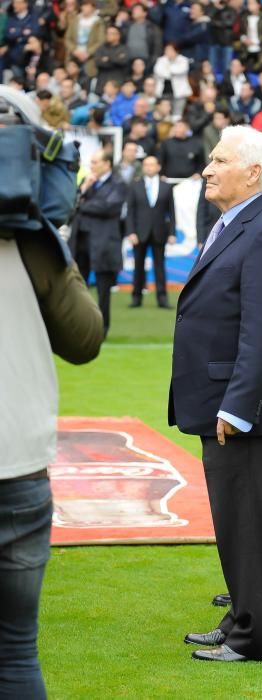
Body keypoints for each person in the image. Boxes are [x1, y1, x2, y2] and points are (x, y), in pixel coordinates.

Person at [170, 125, 262, 662]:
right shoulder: (236, 222)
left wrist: (237, 404)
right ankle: (239, 618)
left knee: (252, 525)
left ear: (253, 173)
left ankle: (257, 638)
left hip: (244, 409)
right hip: (224, 403)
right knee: (233, 522)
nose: (207, 168)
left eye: (219, 160)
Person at [0, 87, 103, 700]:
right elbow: (86, 337)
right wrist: (50, 241)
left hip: (20, 469)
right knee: (15, 653)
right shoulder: (31, 242)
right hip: (18, 465)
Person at [71, 149, 127, 338]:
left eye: (95, 162)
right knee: (79, 288)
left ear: (107, 164)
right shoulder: (88, 183)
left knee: (104, 291)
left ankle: (101, 331)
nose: (91, 166)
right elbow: (72, 202)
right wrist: (84, 188)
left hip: (103, 244)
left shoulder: (118, 184)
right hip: (81, 242)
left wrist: (82, 205)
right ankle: (80, 327)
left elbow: (107, 207)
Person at [126, 155, 176, 310]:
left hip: (159, 232)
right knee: (138, 267)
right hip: (139, 232)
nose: (148, 167)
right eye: (146, 165)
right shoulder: (135, 186)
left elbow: (171, 212)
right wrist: (131, 232)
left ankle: (162, 299)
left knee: (159, 267)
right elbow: (130, 211)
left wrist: (172, 233)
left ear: (158, 167)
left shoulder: (166, 186)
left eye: (151, 165)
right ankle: (136, 297)